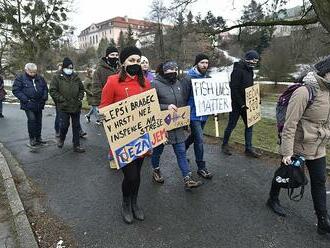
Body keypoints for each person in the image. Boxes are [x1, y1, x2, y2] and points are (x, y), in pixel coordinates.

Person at [266, 56, 330, 235]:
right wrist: (286, 151)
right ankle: (272, 199)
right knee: (286, 175)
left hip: (318, 147)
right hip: (298, 146)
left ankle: (323, 220)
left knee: (319, 181)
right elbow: (290, 124)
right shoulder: (304, 91)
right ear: (326, 72)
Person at [99, 46, 150, 224]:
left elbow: (151, 108)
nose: (135, 64)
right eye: (131, 60)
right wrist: (104, 115)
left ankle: (135, 202)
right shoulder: (112, 81)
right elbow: (104, 107)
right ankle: (125, 203)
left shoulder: (145, 83)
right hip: (123, 138)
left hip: (142, 137)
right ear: (123, 63)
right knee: (131, 176)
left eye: (138, 61)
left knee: (138, 173)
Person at [151, 60, 202, 190]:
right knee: (158, 151)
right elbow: (150, 106)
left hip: (177, 124)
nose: (172, 73)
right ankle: (156, 170)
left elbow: (183, 102)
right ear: (163, 71)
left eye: (174, 70)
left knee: (181, 152)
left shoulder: (178, 83)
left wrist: (185, 122)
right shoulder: (155, 84)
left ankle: (187, 178)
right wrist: (166, 106)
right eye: (169, 70)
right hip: (162, 126)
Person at [221, 50, 261, 158]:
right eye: (252, 61)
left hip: (248, 103)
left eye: (255, 62)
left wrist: (256, 99)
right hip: (237, 104)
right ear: (246, 59)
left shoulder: (250, 71)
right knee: (231, 125)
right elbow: (234, 89)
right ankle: (224, 144)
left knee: (250, 125)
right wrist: (241, 104)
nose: (253, 64)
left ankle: (248, 148)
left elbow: (251, 87)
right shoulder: (237, 70)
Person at [182, 54, 213, 179]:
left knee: (195, 136)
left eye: (206, 62)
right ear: (196, 64)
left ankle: (181, 150)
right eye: (202, 63)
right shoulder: (188, 78)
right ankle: (201, 167)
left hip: (204, 114)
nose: (205, 65)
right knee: (199, 139)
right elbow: (183, 97)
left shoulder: (208, 78)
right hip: (193, 114)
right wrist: (184, 118)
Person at [50, 57, 85, 153]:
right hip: (64, 106)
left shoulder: (76, 76)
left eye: (71, 67)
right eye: (68, 67)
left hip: (76, 105)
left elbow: (82, 89)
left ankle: (76, 145)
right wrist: (61, 100)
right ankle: (61, 139)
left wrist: (79, 97)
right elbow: (53, 91)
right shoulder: (57, 77)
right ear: (64, 67)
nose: (70, 69)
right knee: (64, 125)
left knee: (76, 126)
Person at [12, 63, 48, 146]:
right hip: (28, 103)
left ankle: (38, 138)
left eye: (34, 72)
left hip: (39, 103)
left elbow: (45, 88)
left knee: (39, 121)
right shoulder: (20, 78)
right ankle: (32, 138)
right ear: (26, 70)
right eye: (31, 72)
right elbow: (16, 90)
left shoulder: (40, 78)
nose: (33, 74)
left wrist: (44, 97)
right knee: (32, 120)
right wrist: (25, 99)